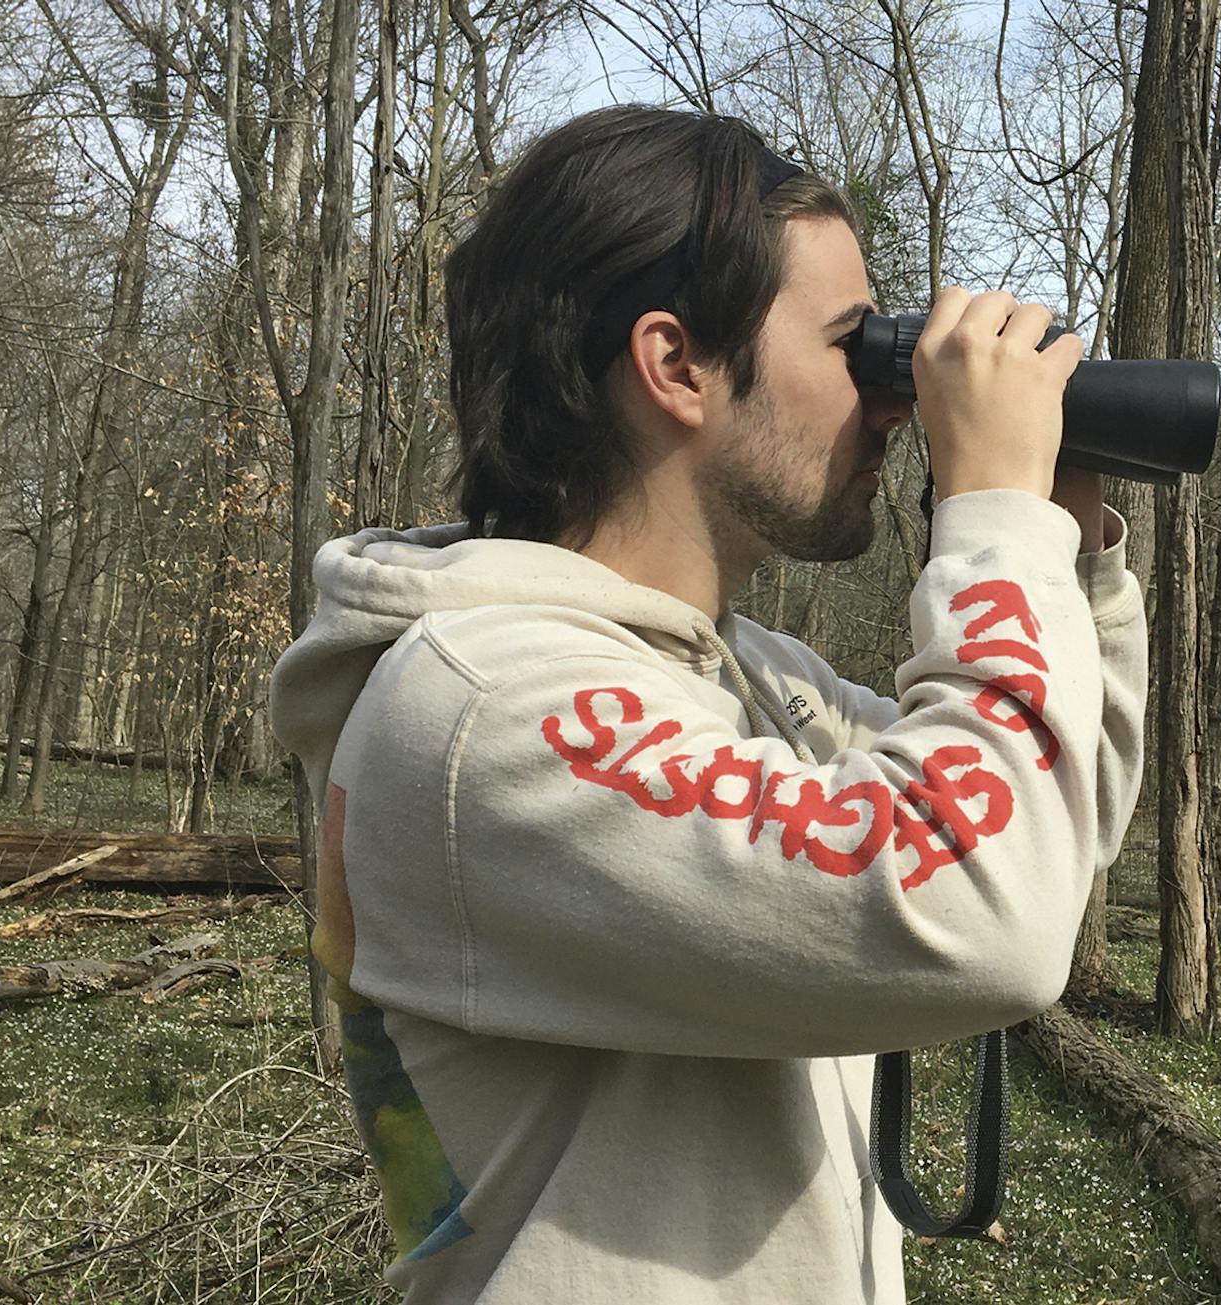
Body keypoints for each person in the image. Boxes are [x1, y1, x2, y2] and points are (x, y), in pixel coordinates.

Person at [267, 105, 1148, 1303]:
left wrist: (1072, 539)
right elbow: (978, 909)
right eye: (855, 348)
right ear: (676, 366)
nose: (893, 401)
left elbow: (1044, 840)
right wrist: (994, 519)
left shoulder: (749, 681)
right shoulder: (487, 714)